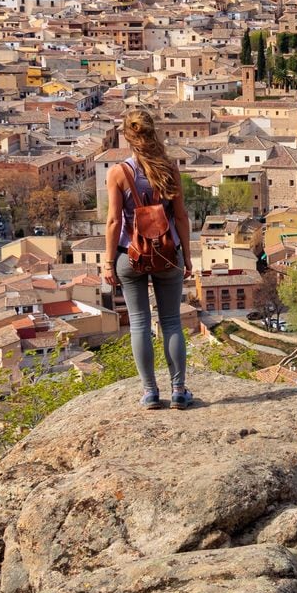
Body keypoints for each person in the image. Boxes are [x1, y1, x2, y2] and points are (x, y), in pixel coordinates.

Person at [104, 107, 194, 409]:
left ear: (128, 137)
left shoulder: (119, 173)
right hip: (168, 254)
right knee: (171, 322)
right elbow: (180, 216)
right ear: (153, 132)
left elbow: (114, 222)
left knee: (140, 323)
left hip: (131, 256)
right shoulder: (170, 167)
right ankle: (179, 390)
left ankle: (150, 392)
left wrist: (107, 263)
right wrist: (189, 257)